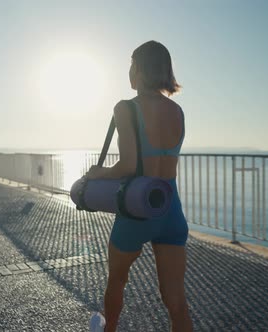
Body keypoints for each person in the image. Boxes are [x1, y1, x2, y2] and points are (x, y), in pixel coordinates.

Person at [85, 40, 193, 332]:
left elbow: (129, 165)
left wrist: (99, 174)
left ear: (140, 70)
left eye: (131, 66)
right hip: (170, 210)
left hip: (137, 209)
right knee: (176, 302)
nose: (129, 72)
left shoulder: (125, 108)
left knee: (117, 281)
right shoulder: (178, 111)